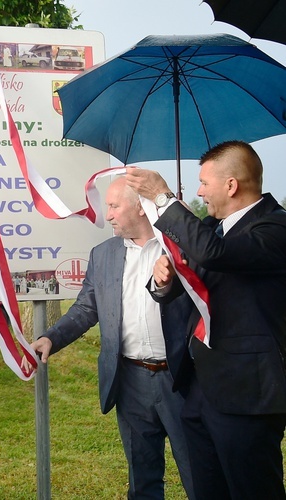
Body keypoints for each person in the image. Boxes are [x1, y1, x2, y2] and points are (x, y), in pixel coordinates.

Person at [126, 140, 286, 499]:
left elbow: (214, 257)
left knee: (252, 489)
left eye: (204, 183)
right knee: (208, 488)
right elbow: (194, 280)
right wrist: (164, 281)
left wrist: (165, 198)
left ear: (231, 185)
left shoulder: (275, 228)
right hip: (202, 387)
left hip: (248, 391)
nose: (199, 191)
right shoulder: (214, 228)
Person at [21, 177, 195, 499]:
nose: (109, 215)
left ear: (141, 208)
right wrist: (51, 339)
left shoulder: (181, 247)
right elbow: (86, 308)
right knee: (142, 480)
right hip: (130, 382)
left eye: (114, 206)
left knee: (198, 474)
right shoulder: (103, 255)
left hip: (181, 380)